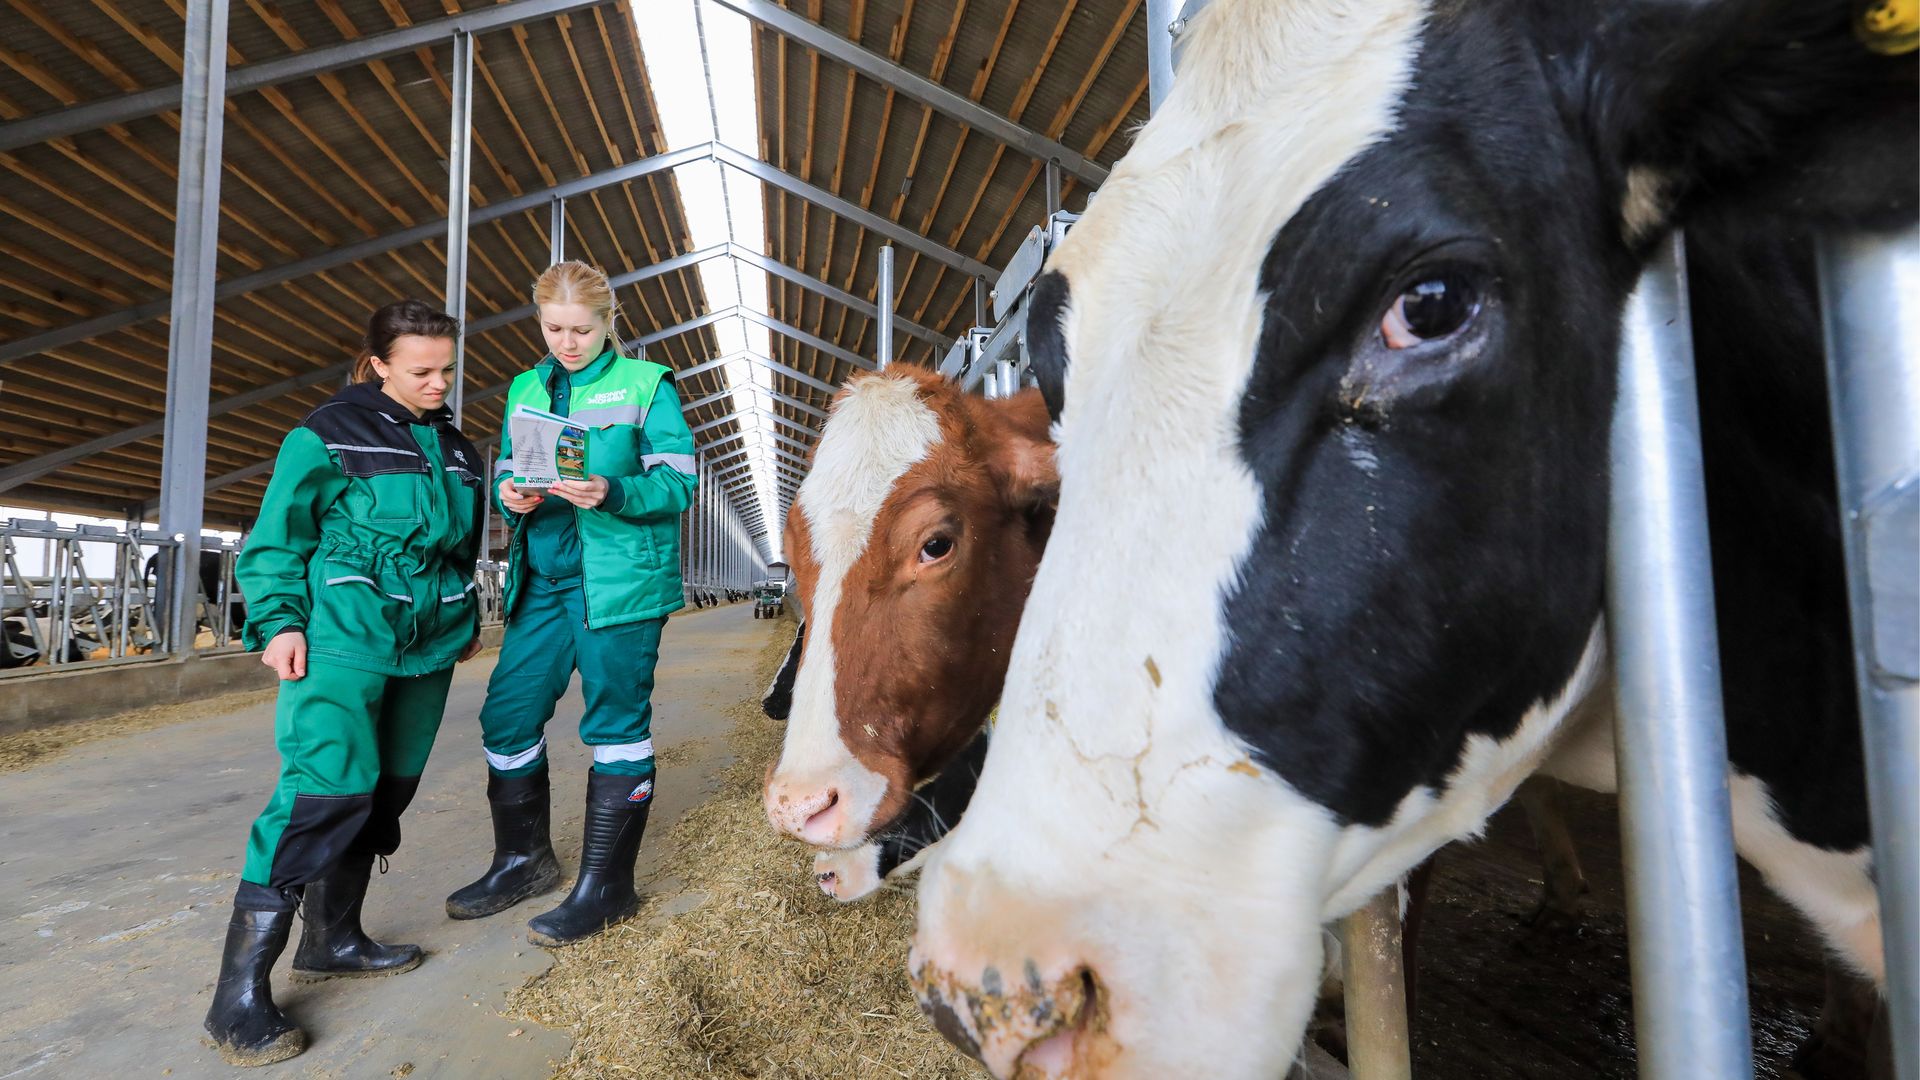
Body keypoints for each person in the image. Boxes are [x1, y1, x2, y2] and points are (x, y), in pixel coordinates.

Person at [203, 300, 485, 1067]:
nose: (438, 383)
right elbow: (274, 541)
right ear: (379, 365)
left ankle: (334, 938)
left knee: (384, 793)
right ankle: (237, 995)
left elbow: (458, 553)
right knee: (322, 791)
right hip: (342, 639)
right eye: (421, 371)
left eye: (447, 369)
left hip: (423, 649)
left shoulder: (459, 450)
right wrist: (279, 622)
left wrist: (458, 621)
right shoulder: (326, 433)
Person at [446, 260, 696, 947]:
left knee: (615, 720)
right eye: (554, 328)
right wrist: (510, 495)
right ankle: (523, 860)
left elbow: (678, 483)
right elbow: (505, 470)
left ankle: (606, 887)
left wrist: (612, 492)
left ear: (607, 322)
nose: (567, 341)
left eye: (580, 329)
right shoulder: (529, 386)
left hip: (616, 579)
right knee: (507, 714)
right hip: (546, 575)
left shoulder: (646, 386)